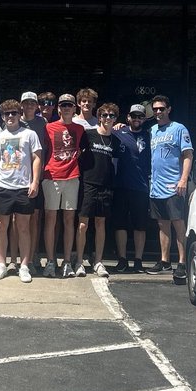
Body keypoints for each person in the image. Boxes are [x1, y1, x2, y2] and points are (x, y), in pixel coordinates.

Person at [0, 101, 42, 283]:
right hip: (3, 185)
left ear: (20, 114)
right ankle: (2, 264)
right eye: (7, 114)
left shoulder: (30, 134)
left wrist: (35, 181)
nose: (10, 116)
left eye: (14, 113)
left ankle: (24, 266)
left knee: (23, 228)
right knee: (0, 226)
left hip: (23, 187)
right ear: (2, 117)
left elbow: (37, 158)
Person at [75, 102, 124, 277]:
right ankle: (79, 261)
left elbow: (116, 165)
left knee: (100, 223)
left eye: (111, 116)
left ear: (115, 119)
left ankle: (98, 261)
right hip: (88, 183)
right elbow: (77, 156)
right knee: (83, 224)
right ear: (99, 116)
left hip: (106, 185)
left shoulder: (116, 141)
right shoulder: (88, 135)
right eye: (104, 115)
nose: (107, 119)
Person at [149, 95, 194, 282]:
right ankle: (164, 260)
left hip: (174, 185)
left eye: (161, 108)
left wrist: (183, 179)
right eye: (155, 109)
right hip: (156, 185)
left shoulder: (179, 128)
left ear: (169, 109)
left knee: (178, 223)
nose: (158, 112)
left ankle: (182, 262)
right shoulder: (151, 130)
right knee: (162, 224)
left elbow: (188, 154)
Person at [42, 94, 84, 276]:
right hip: (52, 176)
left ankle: (67, 261)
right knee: (50, 219)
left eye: (69, 105)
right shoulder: (48, 127)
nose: (66, 108)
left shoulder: (80, 128)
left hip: (72, 177)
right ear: (58, 108)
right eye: (63, 105)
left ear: (75, 108)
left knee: (69, 220)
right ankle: (51, 261)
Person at [112, 104, 151, 274]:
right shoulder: (118, 133)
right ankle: (122, 259)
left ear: (144, 118)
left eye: (140, 116)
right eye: (133, 116)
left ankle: (138, 260)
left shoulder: (150, 135)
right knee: (120, 223)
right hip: (120, 185)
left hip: (141, 186)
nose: (136, 119)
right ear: (127, 117)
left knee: (140, 225)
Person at [20, 91, 49, 272]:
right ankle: (19, 257)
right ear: (21, 104)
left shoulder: (43, 123)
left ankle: (34, 255)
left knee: (35, 219)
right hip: (18, 177)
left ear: (36, 105)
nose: (29, 105)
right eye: (26, 103)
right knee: (19, 220)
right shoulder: (13, 120)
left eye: (33, 103)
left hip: (37, 177)